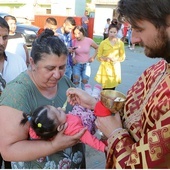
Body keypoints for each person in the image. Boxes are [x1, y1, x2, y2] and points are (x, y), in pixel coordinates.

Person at [66, 0, 170, 168]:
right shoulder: (158, 68)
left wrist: (115, 134)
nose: (134, 39)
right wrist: (94, 105)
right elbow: (133, 116)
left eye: (139, 29)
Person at [0, 29, 87, 169]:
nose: (57, 75)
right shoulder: (17, 93)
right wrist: (53, 145)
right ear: (32, 63)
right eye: (50, 68)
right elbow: (8, 151)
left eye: (62, 67)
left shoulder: (65, 82)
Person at [20, 104, 107, 156]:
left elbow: (35, 130)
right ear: (60, 128)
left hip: (77, 114)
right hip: (87, 120)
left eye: (55, 108)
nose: (59, 108)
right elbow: (90, 140)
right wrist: (105, 148)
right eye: (59, 113)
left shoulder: (41, 129)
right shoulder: (74, 129)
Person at [0, 16, 27, 169]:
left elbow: (28, 91)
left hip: (14, 132)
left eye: (5, 37)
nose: (2, 42)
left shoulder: (17, 61)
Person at [95, 23, 126, 90]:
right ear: (108, 32)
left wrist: (116, 59)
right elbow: (98, 56)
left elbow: (122, 57)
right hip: (105, 68)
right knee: (105, 89)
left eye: (114, 32)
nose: (112, 34)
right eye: (111, 32)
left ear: (117, 32)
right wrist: (105, 58)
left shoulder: (120, 43)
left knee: (112, 89)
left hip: (115, 68)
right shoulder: (103, 43)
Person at [72, 26, 98, 90]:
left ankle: (84, 97)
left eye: (78, 33)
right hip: (76, 65)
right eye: (75, 34)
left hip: (87, 65)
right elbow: (70, 51)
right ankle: (75, 96)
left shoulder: (89, 40)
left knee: (85, 82)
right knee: (75, 82)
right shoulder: (73, 42)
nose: (76, 35)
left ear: (82, 33)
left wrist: (93, 57)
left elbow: (97, 48)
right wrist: (73, 58)